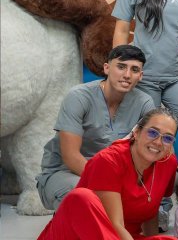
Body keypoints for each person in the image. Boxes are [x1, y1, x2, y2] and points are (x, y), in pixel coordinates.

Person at [38, 45, 154, 210]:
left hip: (116, 175)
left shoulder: (144, 103)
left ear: (140, 76)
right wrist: (109, 185)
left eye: (134, 70)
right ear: (106, 68)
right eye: (121, 67)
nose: (127, 75)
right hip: (67, 172)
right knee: (83, 195)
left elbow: (149, 150)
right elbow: (71, 157)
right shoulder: (78, 97)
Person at [38, 108, 178, 240]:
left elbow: (151, 212)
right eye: (152, 133)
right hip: (81, 235)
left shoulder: (168, 163)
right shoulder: (108, 161)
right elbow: (115, 225)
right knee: (81, 197)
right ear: (136, 133)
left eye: (167, 138)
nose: (158, 142)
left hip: (123, 236)